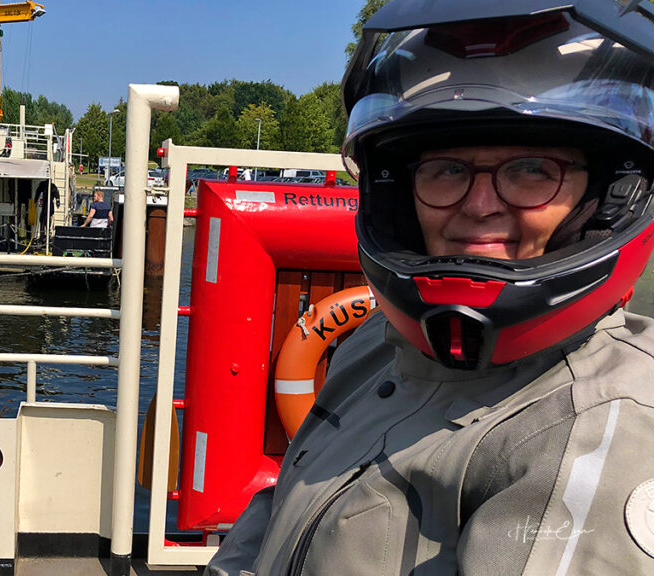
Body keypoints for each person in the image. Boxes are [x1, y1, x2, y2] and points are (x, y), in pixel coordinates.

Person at [206, 1, 654, 574]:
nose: (480, 205)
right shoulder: (375, 345)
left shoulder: (598, 429)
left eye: (532, 169)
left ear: (607, 200)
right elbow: (288, 504)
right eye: (446, 170)